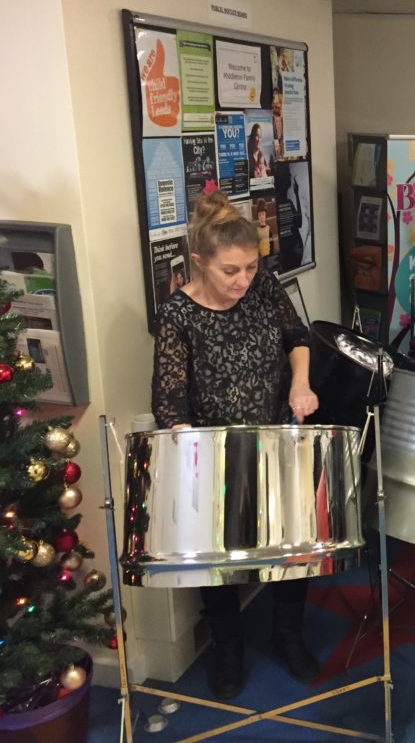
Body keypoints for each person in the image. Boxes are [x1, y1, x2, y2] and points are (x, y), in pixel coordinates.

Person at [151, 190, 321, 699]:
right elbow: (168, 398)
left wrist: (300, 384)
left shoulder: (263, 287)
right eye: (230, 271)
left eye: (250, 267)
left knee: (294, 544)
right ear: (199, 262)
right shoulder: (178, 314)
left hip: (274, 432)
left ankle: (288, 633)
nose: (243, 280)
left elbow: (297, 337)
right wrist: (186, 442)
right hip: (214, 449)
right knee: (217, 559)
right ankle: (228, 650)